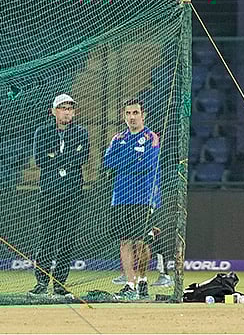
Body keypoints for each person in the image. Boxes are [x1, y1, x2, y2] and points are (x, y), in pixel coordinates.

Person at [28, 94, 89, 298]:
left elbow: (83, 157)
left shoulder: (81, 132)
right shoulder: (42, 132)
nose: (66, 112)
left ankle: (60, 283)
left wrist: (57, 157)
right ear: (53, 111)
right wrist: (66, 158)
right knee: (46, 237)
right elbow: (40, 159)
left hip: (72, 192)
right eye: (62, 108)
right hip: (48, 192)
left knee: (66, 239)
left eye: (70, 108)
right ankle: (41, 282)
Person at [103, 99, 160, 300]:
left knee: (141, 243)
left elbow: (147, 165)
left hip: (143, 196)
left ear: (143, 115)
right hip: (120, 197)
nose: (132, 117)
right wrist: (132, 157)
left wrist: (124, 161)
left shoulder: (152, 137)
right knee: (125, 241)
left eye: (136, 112)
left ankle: (143, 279)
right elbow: (107, 161)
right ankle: (130, 284)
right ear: (124, 116)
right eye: (128, 113)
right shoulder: (117, 138)